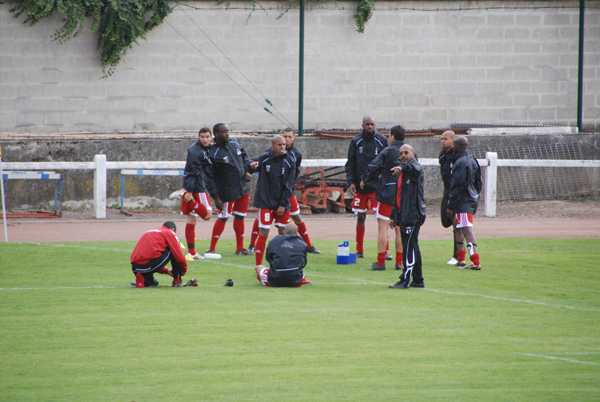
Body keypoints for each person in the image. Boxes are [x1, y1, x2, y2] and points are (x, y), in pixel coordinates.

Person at [248, 128, 321, 255]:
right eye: (284, 137)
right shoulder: (270, 153)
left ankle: (308, 245)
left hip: (287, 192)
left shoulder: (295, 155)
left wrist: (286, 194)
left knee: (296, 217)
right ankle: (251, 245)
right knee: (263, 218)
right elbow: (260, 164)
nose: (286, 140)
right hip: (271, 195)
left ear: (293, 138)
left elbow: (293, 175)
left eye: (289, 137)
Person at [361, 125, 406, 270]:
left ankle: (381, 262)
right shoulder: (409, 151)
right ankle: (399, 262)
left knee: (382, 227)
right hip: (402, 194)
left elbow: (373, 166)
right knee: (399, 228)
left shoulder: (387, 150)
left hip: (386, 192)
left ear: (392, 136)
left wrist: (366, 179)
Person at [247, 135, 297, 267]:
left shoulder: (290, 160)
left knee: (284, 233)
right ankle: (258, 266)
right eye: (279, 145)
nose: (282, 147)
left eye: (284, 145)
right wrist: (251, 165)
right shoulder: (264, 158)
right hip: (266, 203)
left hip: (282, 204)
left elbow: (289, 185)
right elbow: (249, 163)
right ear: (273, 146)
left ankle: (282, 263)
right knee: (264, 232)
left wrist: (282, 204)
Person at [204, 123, 253, 255]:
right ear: (216, 135)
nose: (227, 134)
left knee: (240, 216)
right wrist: (216, 197)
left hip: (243, 188)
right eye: (224, 132)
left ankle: (240, 249)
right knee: (224, 216)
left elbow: (245, 159)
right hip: (227, 191)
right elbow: (210, 177)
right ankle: (211, 248)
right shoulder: (213, 152)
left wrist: (248, 171)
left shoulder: (235, 143)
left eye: (227, 131)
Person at [344, 116, 388, 258]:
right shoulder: (356, 141)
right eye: (367, 124)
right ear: (362, 125)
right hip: (360, 188)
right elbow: (350, 163)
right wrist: (351, 182)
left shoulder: (382, 141)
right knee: (361, 217)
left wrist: (384, 176)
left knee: (381, 219)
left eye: (372, 124)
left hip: (377, 188)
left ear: (375, 125)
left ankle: (386, 250)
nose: (370, 126)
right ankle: (359, 250)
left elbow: (388, 161)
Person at [169, 127, 214, 260]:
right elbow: (191, 171)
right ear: (198, 137)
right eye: (202, 137)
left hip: (194, 186)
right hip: (197, 187)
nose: (205, 139)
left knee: (192, 220)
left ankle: (192, 252)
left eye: (207, 137)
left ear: (211, 137)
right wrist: (189, 191)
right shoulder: (195, 150)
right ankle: (184, 196)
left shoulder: (206, 148)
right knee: (207, 215)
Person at [388, 145, 426, 289]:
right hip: (403, 214)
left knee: (409, 247)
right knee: (413, 246)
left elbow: (414, 170)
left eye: (406, 152)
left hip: (412, 215)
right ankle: (418, 280)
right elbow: (399, 195)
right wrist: (394, 215)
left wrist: (403, 168)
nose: (403, 155)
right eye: (401, 153)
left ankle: (405, 280)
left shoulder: (414, 168)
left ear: (413, 153)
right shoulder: (402, 172)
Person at [446, 136, 483, 270]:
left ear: (459, 147)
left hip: (463, 201)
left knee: (467, 229)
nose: (453, 148)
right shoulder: (473, 159)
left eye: (454, 145)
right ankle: (461, 259)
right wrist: (474, 196)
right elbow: (479, 183)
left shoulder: (461, 162)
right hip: (470, 199)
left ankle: (475, 261)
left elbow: (456, 185)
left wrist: (450, 206)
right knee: (457, 226)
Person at [130, 221, 192, 288]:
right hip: (150, 264)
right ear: (173, 230)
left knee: (150, 282)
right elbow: (180, 257)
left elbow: (148, 256)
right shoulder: (170, 233)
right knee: (174, 249)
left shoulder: (150, 232)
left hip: (135, 267)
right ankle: (177, 281)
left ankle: (141, 279)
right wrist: (183, 270)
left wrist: (166, 271)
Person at [254, 223, 312, 287]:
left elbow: (268, 258)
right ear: (297, 233)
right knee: (300, 271)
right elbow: (303, 263)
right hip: (296, 282)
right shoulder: (302, 243)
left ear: (283, 232)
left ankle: (262, 278)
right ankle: (302, 279)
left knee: (258, 267)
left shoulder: (274, 241)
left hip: (274, 280)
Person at [439, 130, 460, 265]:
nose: (442, 141)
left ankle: (457, 255)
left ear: (453, 140)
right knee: (445, 221)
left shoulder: (457, 155)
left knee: (456, 223)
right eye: (441, 139)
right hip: (447, 191)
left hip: (455, 191)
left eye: (445, 139)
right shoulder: (442, 154)